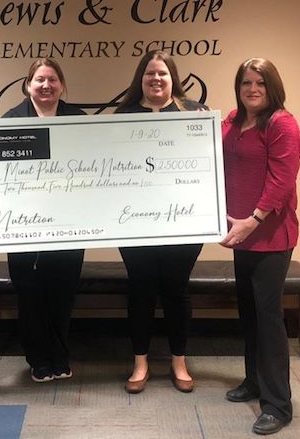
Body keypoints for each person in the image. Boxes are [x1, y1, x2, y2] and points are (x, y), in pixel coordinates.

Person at [220, 58, 300, 436]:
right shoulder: (235, 121)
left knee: (269, 321)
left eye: (260, 83)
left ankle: (278, 405)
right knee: (249, 314)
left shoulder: (282, 124)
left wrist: (252, 220)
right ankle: (253, 382)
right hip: (241, 236)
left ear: (272, 87)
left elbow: (282, 181)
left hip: (270, 237)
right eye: (246, 83)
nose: (253, 89)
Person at [115, 49, 206, 394]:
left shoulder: (194, 113)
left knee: (176, 290)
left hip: (182, 224)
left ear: (173, 79)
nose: (156, 79)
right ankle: (140, 363)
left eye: (163, 73)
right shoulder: (123, 115)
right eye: (150, 73)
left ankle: (178, 361)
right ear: (141, 77)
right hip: (134, 223)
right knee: (140, 290)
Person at [2, 57, 85, 383]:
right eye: (39, 80)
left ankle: (60, 356)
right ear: (28, 85)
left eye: (52, 79)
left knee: (62, 295)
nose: (46, 85)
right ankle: (38, 359)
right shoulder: (10, 121)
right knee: (31, 296)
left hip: (68, 225)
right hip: (24, 226)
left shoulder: (79, 120)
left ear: (62, 85)